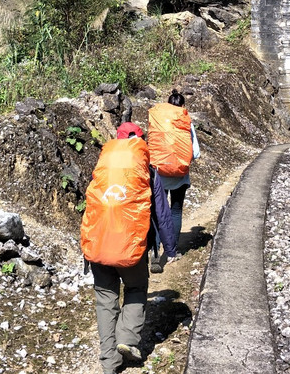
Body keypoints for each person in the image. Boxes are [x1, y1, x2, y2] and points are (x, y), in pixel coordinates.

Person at [81, 121, 178, 374]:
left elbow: (92, 207)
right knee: (135, 288)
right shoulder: (147, 170)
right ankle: (126, 337)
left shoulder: (102, 168)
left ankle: (109, 361)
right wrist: (170, 246)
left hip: (99, 244)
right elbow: (161, 212)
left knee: (105, 300)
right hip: (131, 246)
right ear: (140, 141)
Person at [149, 89, 200, 273]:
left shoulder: (157, 121)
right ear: (182, 106)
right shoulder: (187, 123)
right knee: (175, 211)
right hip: (179, 174)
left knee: (157, 212)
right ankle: (173, 250)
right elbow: (196, 153)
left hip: (159, 175)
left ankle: (155, 253)